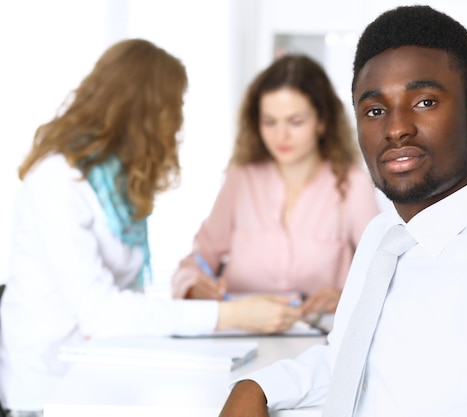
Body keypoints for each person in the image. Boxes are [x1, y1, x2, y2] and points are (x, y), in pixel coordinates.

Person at [218, 5, 467, 417]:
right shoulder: (383, 236)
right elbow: (351, 364)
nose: (395, 127)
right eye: (374, 110)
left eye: (424, 101)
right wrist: (257, 386)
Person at [0, 38, 302, 416]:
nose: (177, 124)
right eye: (172, 109)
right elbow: (102, 313)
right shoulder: (56, 180)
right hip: (48, 389)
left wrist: (193, 297)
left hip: (102, 371)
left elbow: (128, 300)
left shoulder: (118, 184)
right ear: (142, 112)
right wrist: (232, 315)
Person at [172, 54, 380, 315]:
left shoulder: (352, 184)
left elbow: (382, 273)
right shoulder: (241, 179)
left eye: (296, 122)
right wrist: (194, 286)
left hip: (319, 342)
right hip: (240, 335)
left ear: (322, 121)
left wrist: (347, 297)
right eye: (269, 122)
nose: (281, 135)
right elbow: (196, 262)